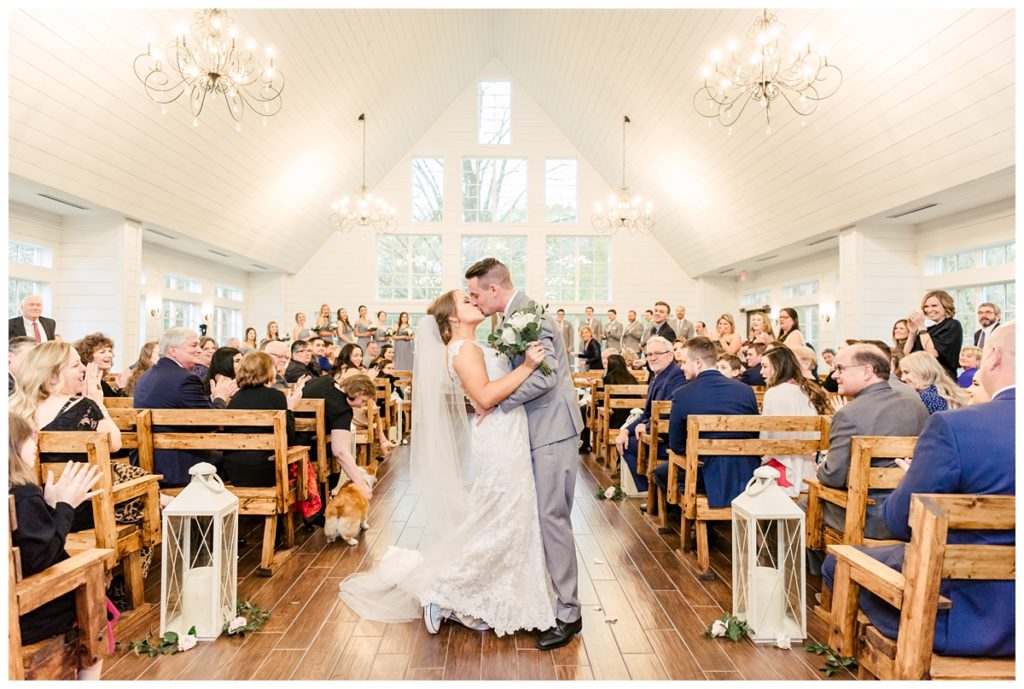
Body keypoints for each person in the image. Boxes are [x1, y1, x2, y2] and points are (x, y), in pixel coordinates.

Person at [339, 288, 556, 641]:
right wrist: (530, 366)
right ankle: (443, 592)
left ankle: (497, 594)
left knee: (505, 514)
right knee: (502, 514)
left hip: (505, 432)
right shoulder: (464, 349)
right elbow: (485, 395)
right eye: (466, 301)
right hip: (500, 438)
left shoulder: (471, 345)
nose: (474, 302)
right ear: (452, 317)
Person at [822, 323, 1015, 658]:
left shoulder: (957, 426)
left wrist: (920, 479)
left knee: (837, 564)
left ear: (994, 357)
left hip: (967, 618)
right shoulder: (929, 408)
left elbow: (899, 522)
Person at [463, 257, 584, 650]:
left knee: (552, 518)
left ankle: (570, 613)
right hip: (533, 431)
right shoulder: (513, 317)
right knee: (538, 515)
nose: (474, 300)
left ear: (494, 289)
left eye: (477, 293)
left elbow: (546, 377)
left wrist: (499, 404)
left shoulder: (533, 317)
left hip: (552, 429)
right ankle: (546, 599)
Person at [9, 413, 105, 680]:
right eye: (29, 437)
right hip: (27, 613)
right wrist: (65, 507)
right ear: (15, 447)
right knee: (99, 608)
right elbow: (42, 558)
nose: (36, 440)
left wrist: (50, 507)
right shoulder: (23, 494)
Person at [810, 344, 929, 546]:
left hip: (868, 516)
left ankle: (822, 573)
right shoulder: (916, 405)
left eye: (840, 368)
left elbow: (833, 476)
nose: (834, 375)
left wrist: (821, 468)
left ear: (867, 371)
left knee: (804, 507)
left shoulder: (848, 414)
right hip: (910, 511)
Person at [654, 337, 759, 508]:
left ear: (698, 362)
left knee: (660, 472)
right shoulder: (745, 390)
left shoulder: (683, 394)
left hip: (707, 473)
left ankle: (692, 510)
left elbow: (677, 446)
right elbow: (754, 434)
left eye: (684, 362)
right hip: (746, 472)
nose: (681, 367)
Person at [132, 328, 238, 486]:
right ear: (173, 350)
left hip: (146, 460)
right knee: (238, 459)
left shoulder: (147, 375)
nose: (199, 350)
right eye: (194, 345)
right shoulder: (185, 379)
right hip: (178, 464)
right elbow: (209, 423)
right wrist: (220, 398)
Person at [224, 352, 321, 524]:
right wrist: (290, 409)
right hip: (267, 472)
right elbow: (288, 440)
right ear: (267, 372)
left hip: (235, 470)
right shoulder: (275, 396)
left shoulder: (234, 399)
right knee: (302, 456)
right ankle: (311, 512)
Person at [615, 336, 686, 494]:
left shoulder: (677, 375)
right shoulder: (656, 376)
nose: (652, 358)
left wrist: (646, 426)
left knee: (628, 445)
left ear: (670, 355)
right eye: (649, 354)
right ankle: (647, 490)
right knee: (624, 439)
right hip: (654, 431)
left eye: (656, 354)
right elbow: (647, 413)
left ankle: (649, 492)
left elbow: (669, 412)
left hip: (668, 439)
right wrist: (626, 429)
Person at [758, 346, 832, 496]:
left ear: (778, 367)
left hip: (783, 468)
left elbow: (766, 438)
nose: (761, 372)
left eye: (765, 366)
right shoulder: (807, 390)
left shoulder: (773, 393)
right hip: (808, 469)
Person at [302, 371, 377, 497]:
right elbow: (340, 452)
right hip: (310, 451)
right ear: (358, 392)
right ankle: (325, 497)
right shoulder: (342, 410)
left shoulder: (324, 381)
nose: (361, 405)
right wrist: (362, 485)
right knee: (337, 462)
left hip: (290, 442)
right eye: (363, 400)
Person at [904, 289, 962, 381]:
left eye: (934, 306)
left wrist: (921, 326)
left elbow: (932, 354)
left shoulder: (953, 325)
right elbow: (906, 355)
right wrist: (912, 333)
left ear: (945, 306)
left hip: (941, 381)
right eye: (926, 306)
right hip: (922, 379)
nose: (929, 310)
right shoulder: (928, 330)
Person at [899, 351, 968, 414]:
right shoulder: (945, 391)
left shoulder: (925, 398)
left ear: (923, 371)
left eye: (906, 372)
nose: (902, 378)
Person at [75, 332, 124, 397]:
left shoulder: (100, 382)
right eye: (102, 352)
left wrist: (118, 388)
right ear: (88, 356)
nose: (109, 355)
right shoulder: (85, 382)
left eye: (110, 351)